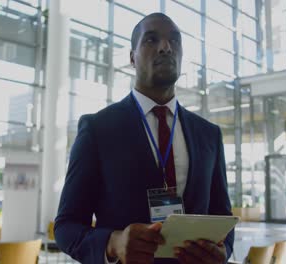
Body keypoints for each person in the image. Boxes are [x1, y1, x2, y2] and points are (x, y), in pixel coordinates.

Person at [54, 12, 234, 264]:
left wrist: (223, 250)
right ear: (131, 57)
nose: (166, 47)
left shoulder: (209, 135)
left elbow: (223, 216)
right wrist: (114, 243)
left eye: (175, 40)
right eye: (151, 40)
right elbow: (66, 226)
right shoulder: (98, 128)